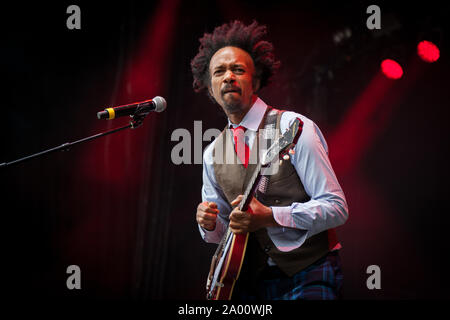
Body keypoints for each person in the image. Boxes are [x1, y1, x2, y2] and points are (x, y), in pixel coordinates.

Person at [191, 20, 348, 300]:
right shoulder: (212, 153)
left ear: (256, 80)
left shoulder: (294, 126)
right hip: (250, 281)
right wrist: (209, 223)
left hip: (309, 270)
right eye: (219, 72)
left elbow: (336, 208)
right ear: (209, 87)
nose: (228, 77)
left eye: (238, 70)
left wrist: (271, 217)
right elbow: (224, 233)